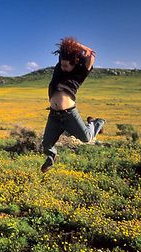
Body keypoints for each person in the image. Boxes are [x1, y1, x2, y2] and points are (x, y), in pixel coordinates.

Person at [41, 37, 105, 173]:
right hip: (54, 115)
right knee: (46, 144)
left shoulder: (80, 72)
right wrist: (70, 46)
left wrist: (83, 48)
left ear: (74, 63)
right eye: (61, 64)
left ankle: (95, 123)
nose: (63, 68)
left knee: (86, 138)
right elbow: (65, 45)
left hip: (69, 114)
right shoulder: (59, 68)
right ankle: (52, 156)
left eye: (66, 66)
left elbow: (91, 55)